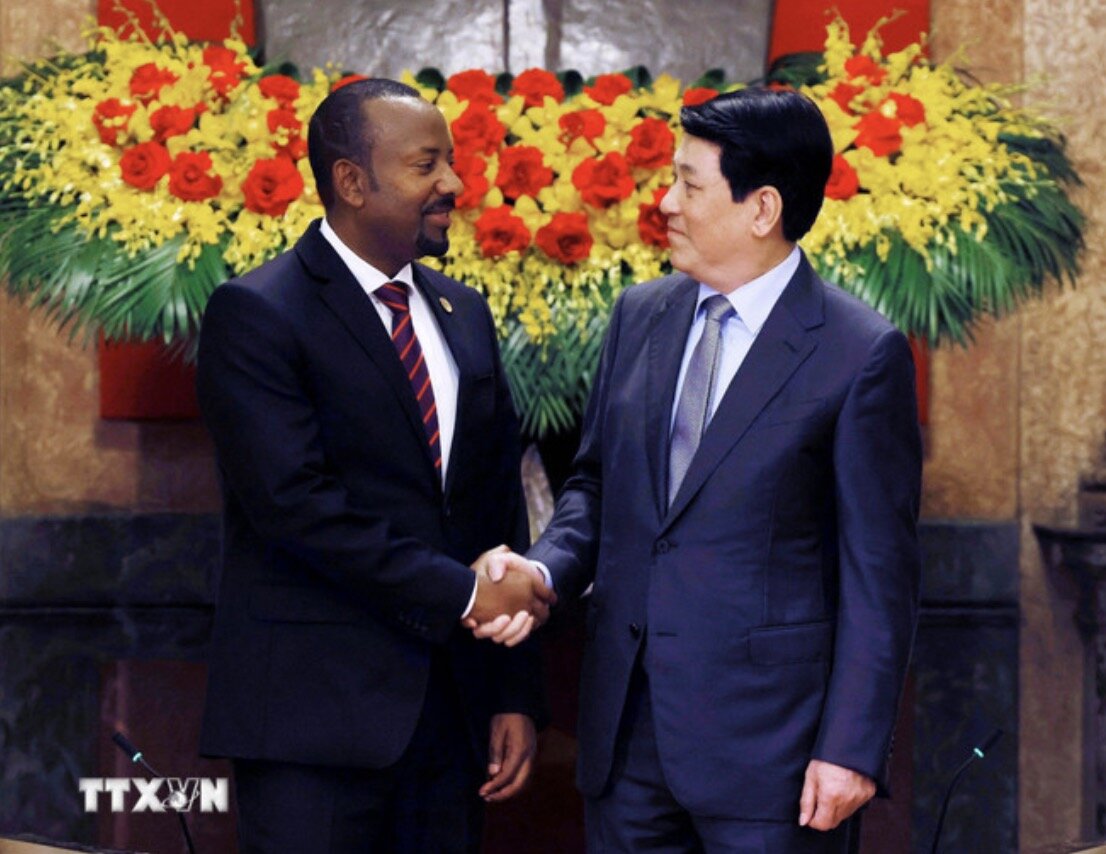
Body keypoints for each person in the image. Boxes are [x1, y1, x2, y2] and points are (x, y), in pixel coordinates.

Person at [471, 87, 922, 851]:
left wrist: (850, 749)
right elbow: (596, 490)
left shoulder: (859, 353)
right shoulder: (640, 315)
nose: (666, 203)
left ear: (763, 208)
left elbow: (879, 574)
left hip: (773, 758)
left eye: (688, 182)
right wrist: (543, 572)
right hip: (625, 743)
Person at [196, 78, 554, 853]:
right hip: (314, 728)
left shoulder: (465, 311)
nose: (454, 185)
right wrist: (465, 592)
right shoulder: (258, 312)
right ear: (352, 181)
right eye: (428, 165)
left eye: (452, 163)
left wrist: (512, 692)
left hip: (452, 724)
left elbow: (496, 510)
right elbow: (295, 506)